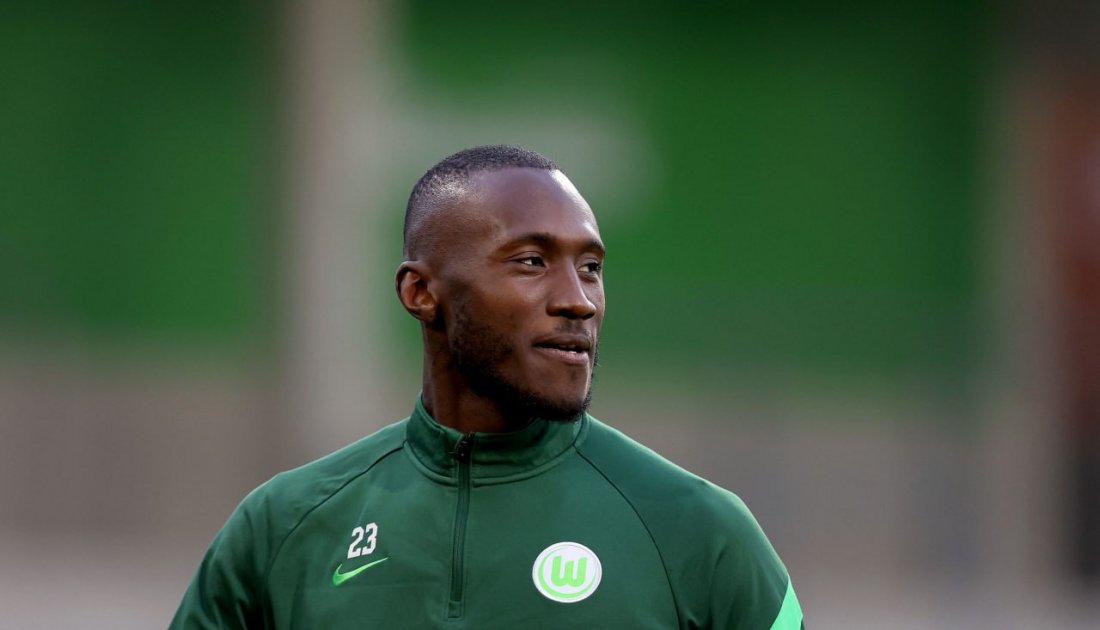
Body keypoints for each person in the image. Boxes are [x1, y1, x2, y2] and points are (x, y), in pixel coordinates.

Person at [171, 145, 803, 629]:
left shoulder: (699, 531)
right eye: (531, 262)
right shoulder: (283, 528)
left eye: (590, 267)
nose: (578, 301)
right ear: (421, 293)